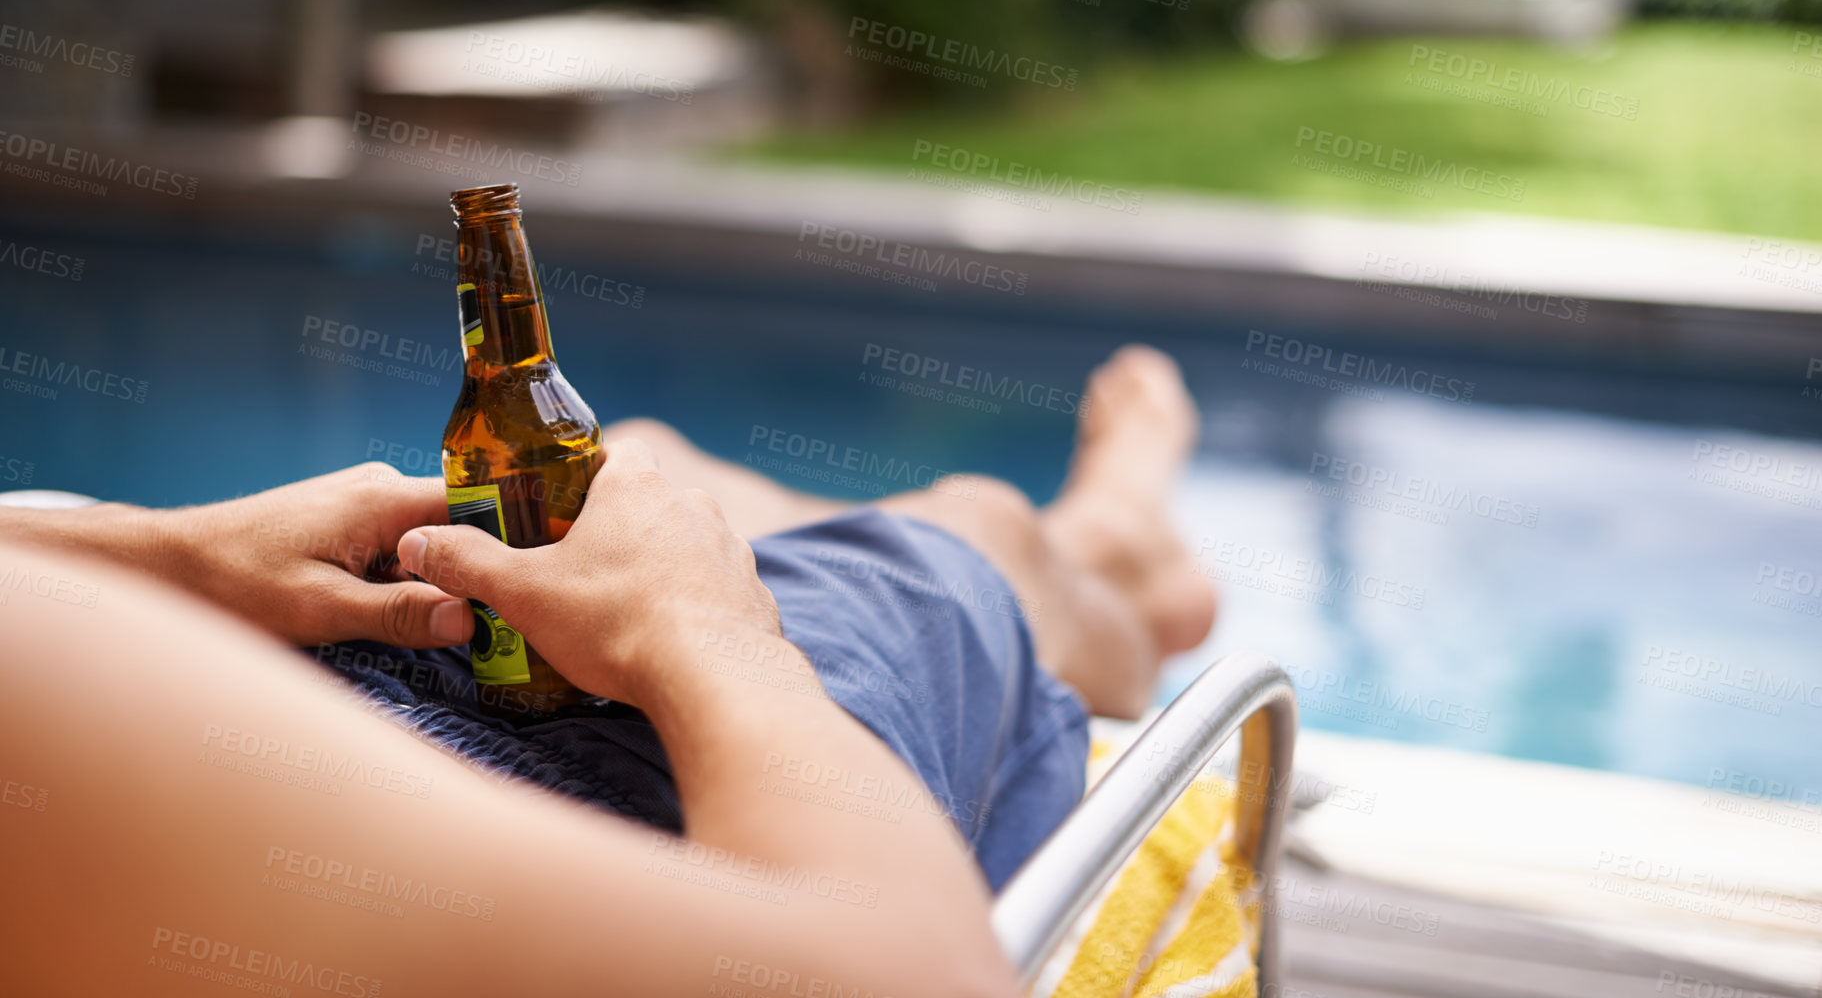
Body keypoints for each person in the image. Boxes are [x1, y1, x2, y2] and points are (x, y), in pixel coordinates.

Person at [0, 345, 1216, 997]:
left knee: (640, 463)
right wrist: (707, 637)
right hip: (595, 779)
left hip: (361, 697)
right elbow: (913, 979)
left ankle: (1099, 545)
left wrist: (156, 548)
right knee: (971, 529)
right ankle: (1109, 544)